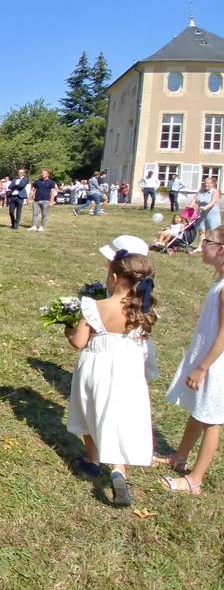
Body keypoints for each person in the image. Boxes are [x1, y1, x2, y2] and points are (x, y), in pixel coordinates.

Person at [64, 240, 157, 506]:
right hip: (129, 372)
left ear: (114, 278)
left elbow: (79, 342)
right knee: (120, 418)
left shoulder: (95, 307)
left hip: (96, 367)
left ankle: (93, 460)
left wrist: (69, 332)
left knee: (89, 410)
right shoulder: (144, 310)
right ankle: (118, 470)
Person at [159, 225, 224, 495]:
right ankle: (179, 457)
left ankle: (194, 479)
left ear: (221, 249)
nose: (200, 245)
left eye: (206, 241)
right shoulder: (219, 282)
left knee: (211, 419)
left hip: (216, 365)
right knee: (198, 411)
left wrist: (202, 367)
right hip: (209, 361)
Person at [189, 178, 222, 253]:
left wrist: (205, 207)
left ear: (213, 184)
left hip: (212, 214)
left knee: (214, 231)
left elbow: (213, 202)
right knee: (202, 231)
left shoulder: (215, 192)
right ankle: (200, 247)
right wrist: (189, 207)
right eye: (205, 183)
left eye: (208, 183)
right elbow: (195, 200)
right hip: (201, 214)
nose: (206, 184)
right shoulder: (201, 191)